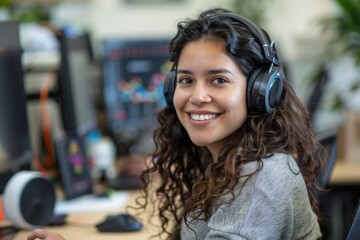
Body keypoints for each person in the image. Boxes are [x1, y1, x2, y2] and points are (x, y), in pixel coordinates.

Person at [27, 7, 323, 240]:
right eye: (186, 80)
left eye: (218, 80)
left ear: (259, 91)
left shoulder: (261, 176)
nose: (197, 96)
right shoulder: (224, 162)